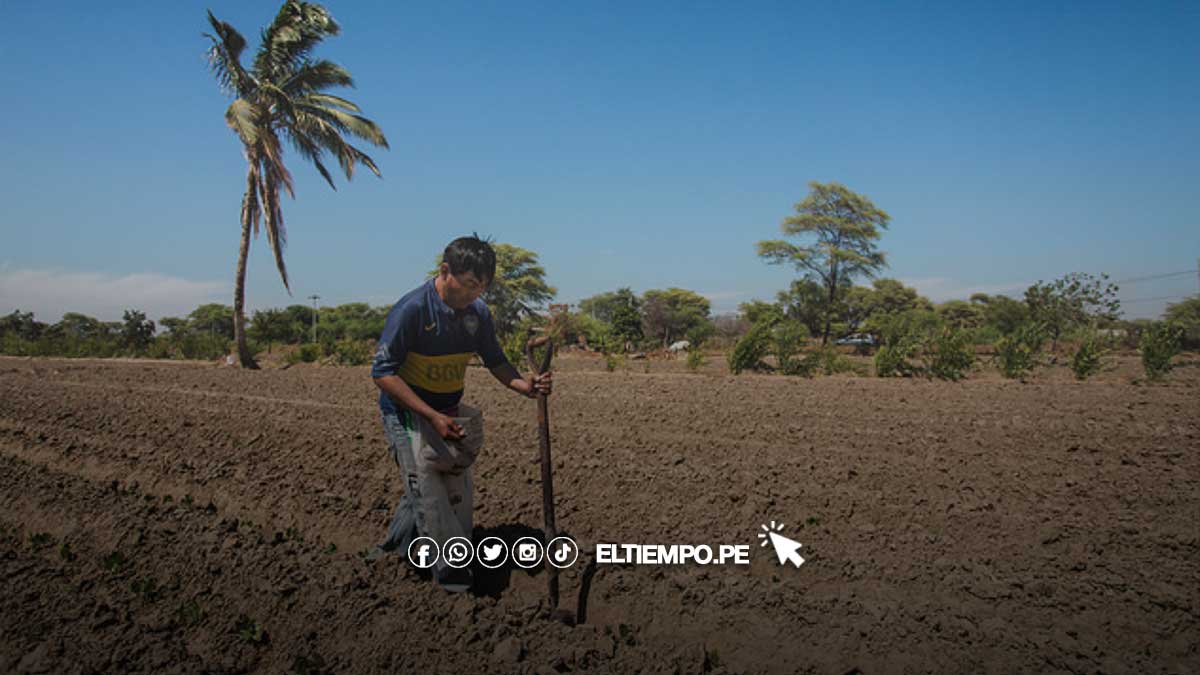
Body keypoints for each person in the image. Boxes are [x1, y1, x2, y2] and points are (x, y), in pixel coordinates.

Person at [367, 235, 552, 592]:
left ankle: (395, 549)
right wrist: (431, 415)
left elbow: (495, 360)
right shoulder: (413, 310)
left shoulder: (477, 314)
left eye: (482, 287)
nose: (475, 294)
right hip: (407, 413)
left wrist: (525, 386)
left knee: (432, 485)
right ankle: (451, 581)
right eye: (468, 284)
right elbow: (383, 373)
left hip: (448, 412)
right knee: (425, 489)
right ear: (445, 271)